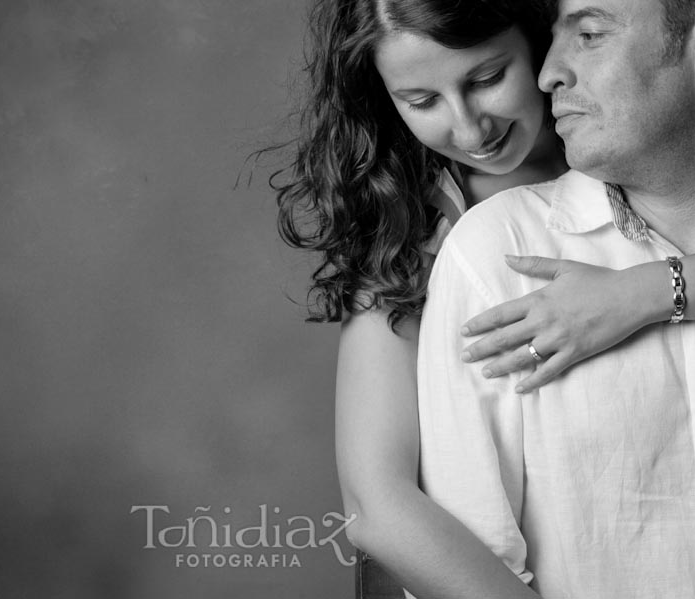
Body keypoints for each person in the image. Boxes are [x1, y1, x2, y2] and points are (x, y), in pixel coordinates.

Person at [272, 0, 695, 597]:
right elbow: (377, 502)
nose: (471, 130)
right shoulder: (416, 234)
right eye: (422, 102)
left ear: (537, 40)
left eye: (488, 78)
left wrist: (646, 292)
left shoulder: (643, 137)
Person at [416, 0, 695, 595]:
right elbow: (462, 542)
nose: (549, 75)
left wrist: (655, 291)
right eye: (552, 39)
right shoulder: (499, 252)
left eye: (591, 34)